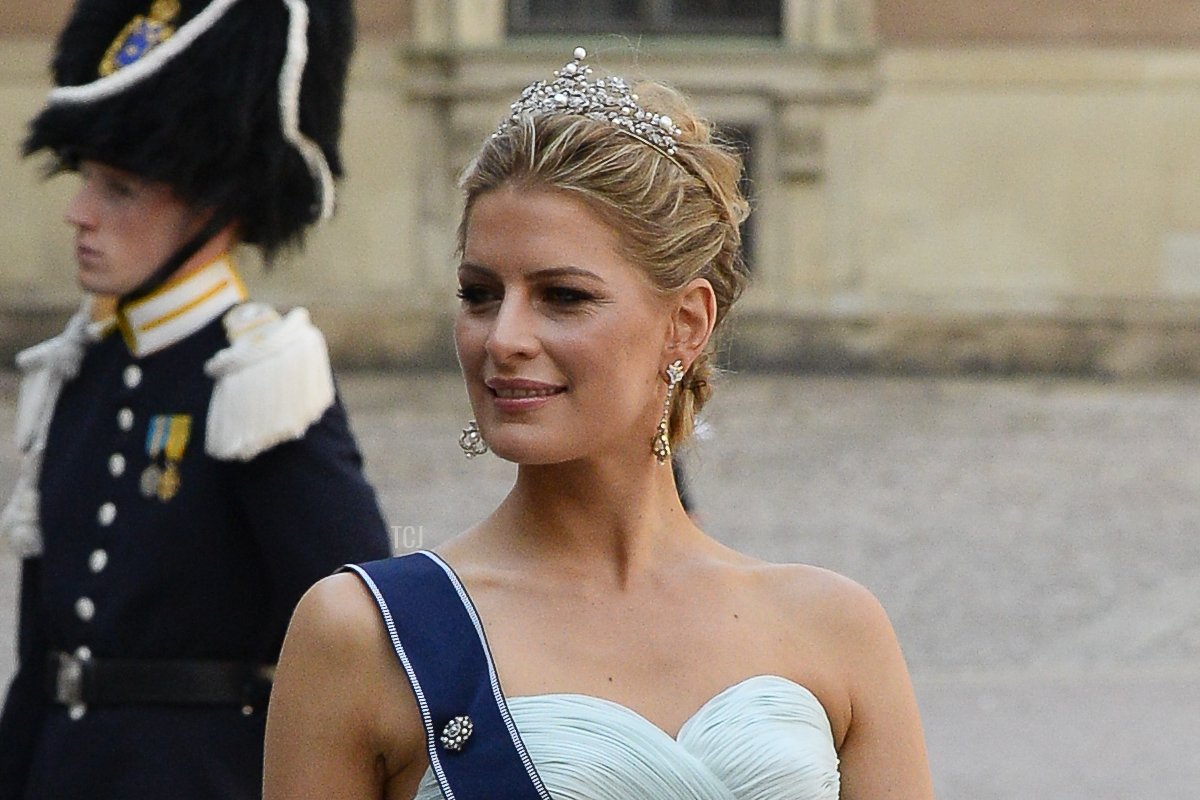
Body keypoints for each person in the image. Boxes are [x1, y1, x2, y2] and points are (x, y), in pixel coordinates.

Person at [263, 48, 934, 799]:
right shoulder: (363, 635)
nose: (503, 336)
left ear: (685, 325)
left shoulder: (835, 628)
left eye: (564, 297)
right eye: (480, 294)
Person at [0, 0, 392, 797]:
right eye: (85, 181)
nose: (79, 212)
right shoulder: (79, 369)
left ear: (216, 205)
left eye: (120, 189)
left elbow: (361, 634)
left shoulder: (263, 379)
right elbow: (42, 652)